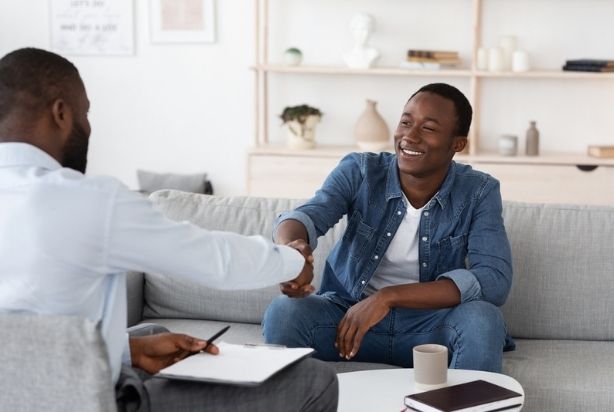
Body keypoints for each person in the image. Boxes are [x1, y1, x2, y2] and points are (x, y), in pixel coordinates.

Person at [0, 48, 337, 412]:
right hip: (85, 400)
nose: (88, 126)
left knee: (150, 337)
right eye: (85, 113)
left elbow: (25, 343)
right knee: (314, 381)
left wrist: (130, 351)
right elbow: (214, 260)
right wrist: (293, 260)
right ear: (61, 113)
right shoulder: (88, 201)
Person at [263, 83, 513, 372]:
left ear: (457, 144)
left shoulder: (478, 191)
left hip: (429, 327)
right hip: (349, 321)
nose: (409, 135)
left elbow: (493, 280)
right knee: (284, 312)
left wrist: (389, 297)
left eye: (428, 128)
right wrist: (292, 250)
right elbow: (307, 217)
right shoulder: (360, 171)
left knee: (483, 319)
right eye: (406, 122)